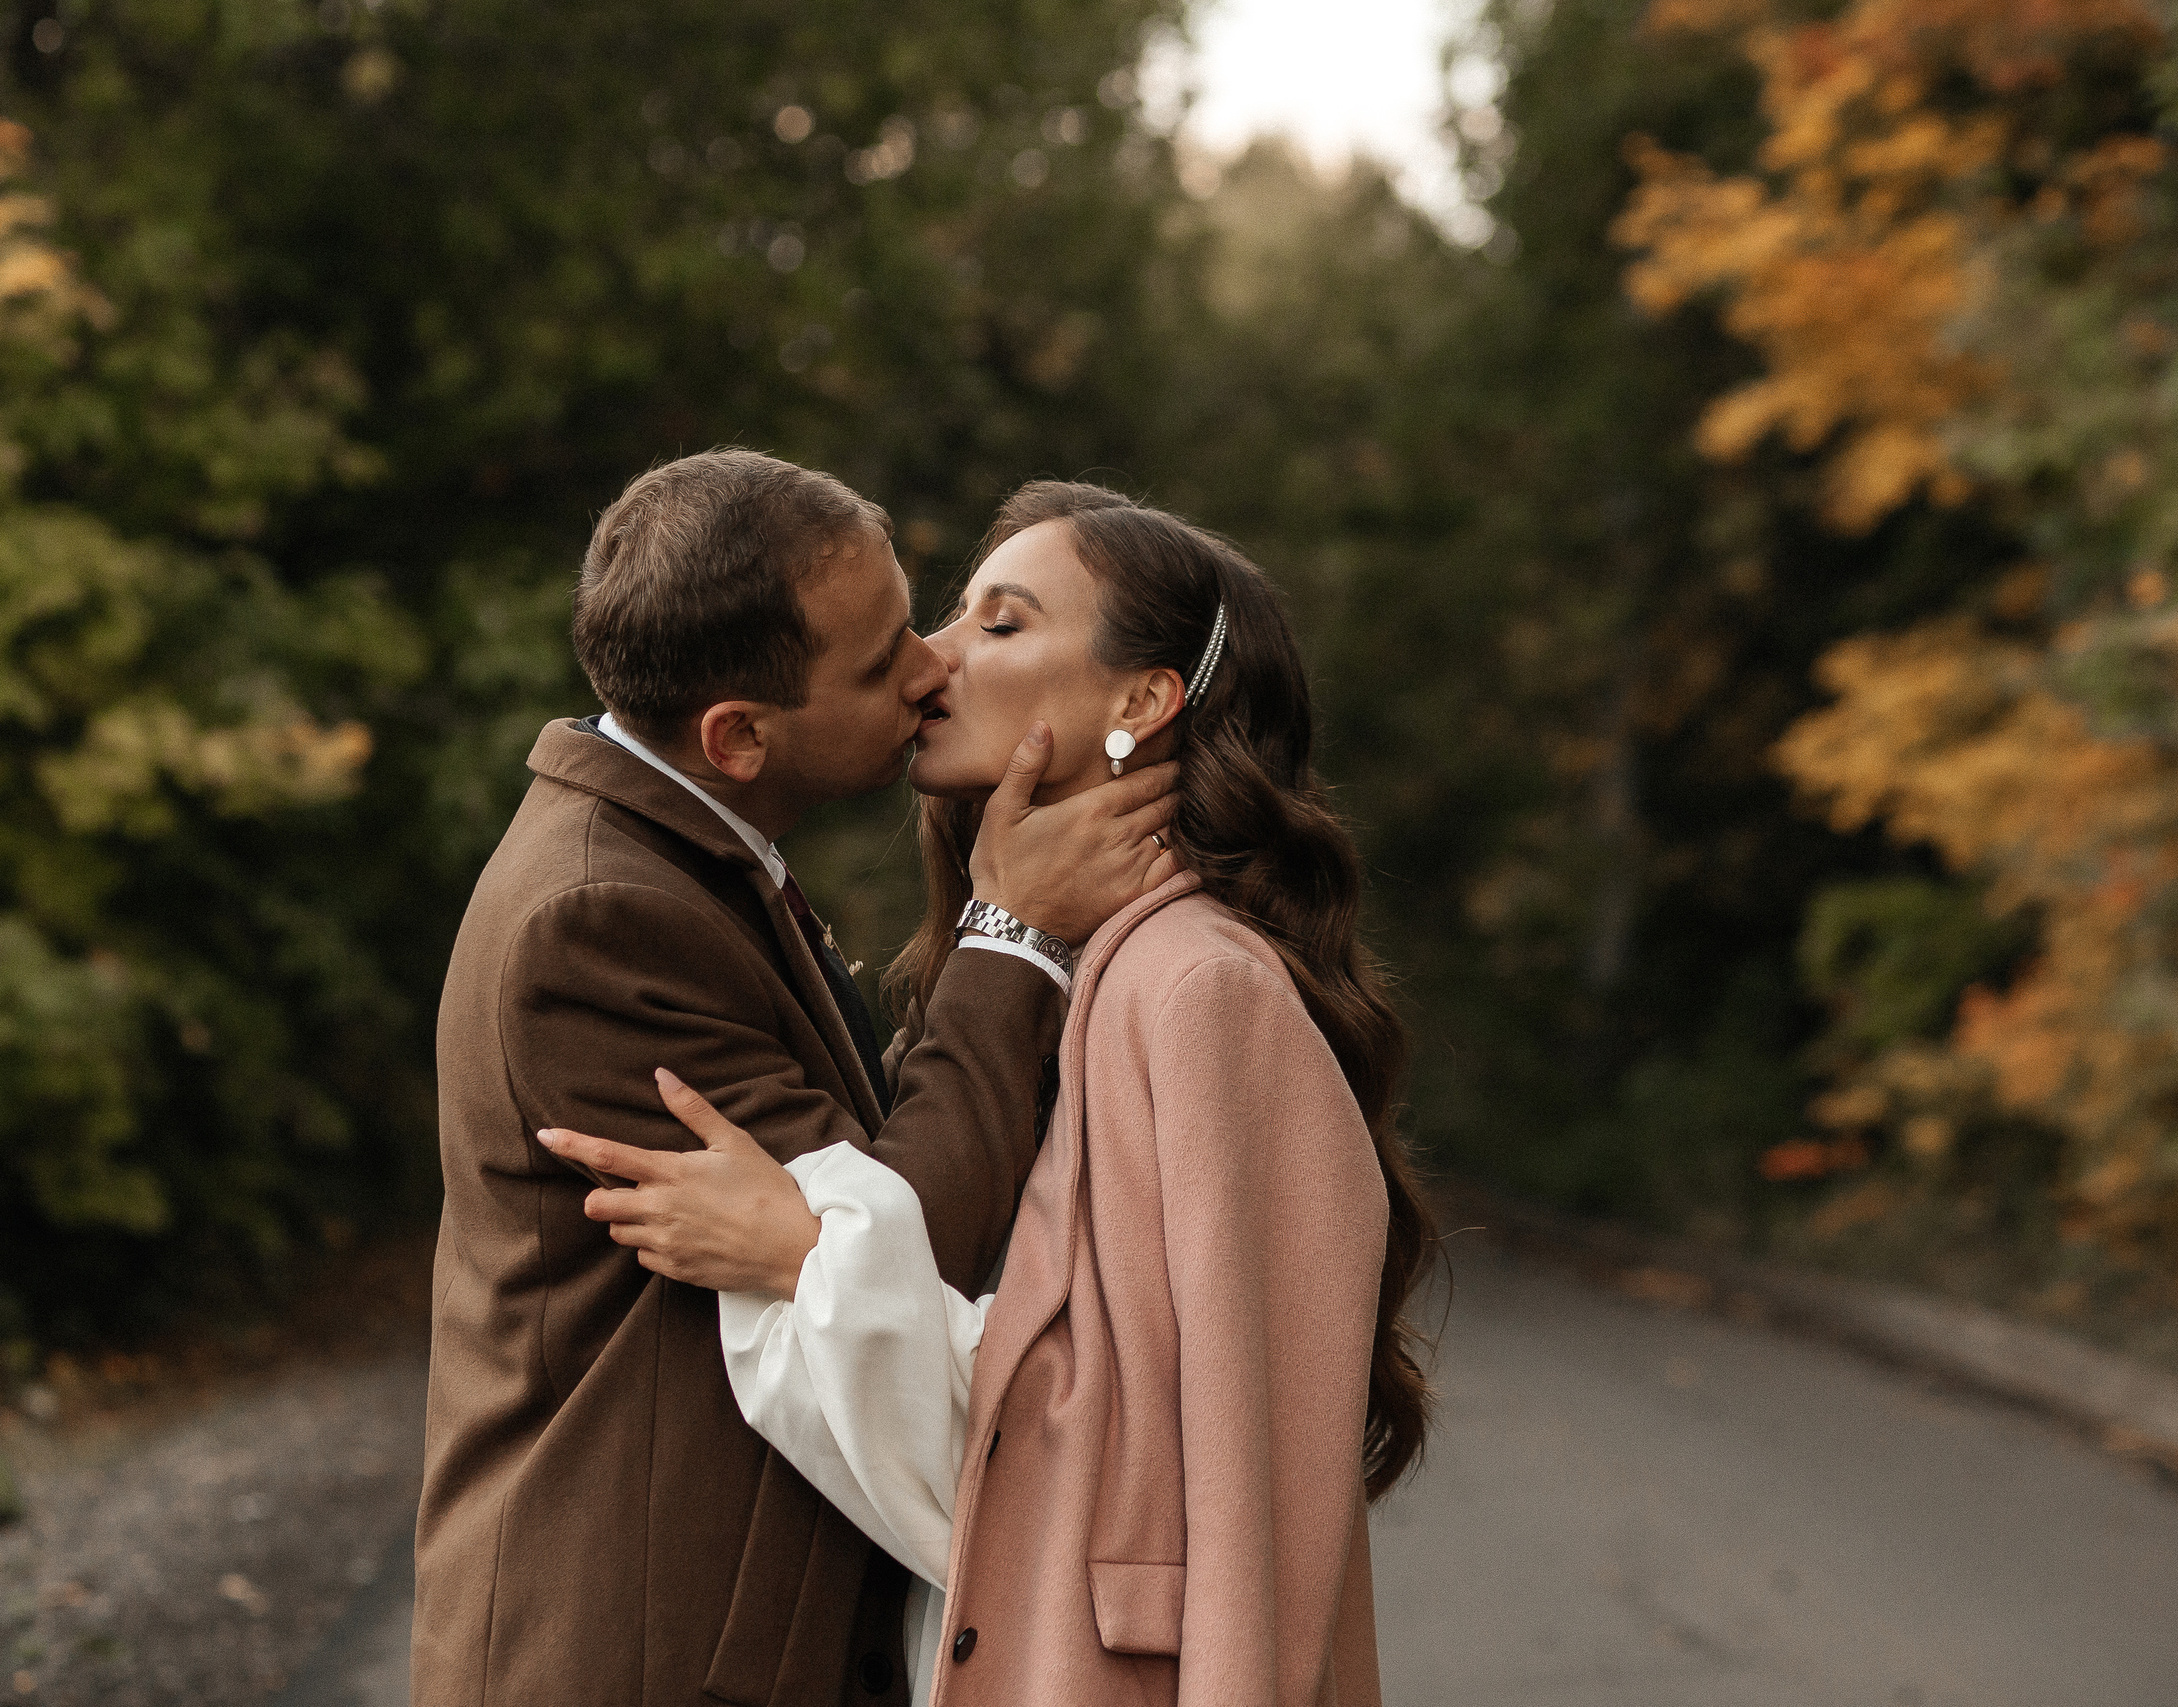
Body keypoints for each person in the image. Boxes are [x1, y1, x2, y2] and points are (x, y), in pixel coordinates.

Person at [545, 482, 1436, 1707]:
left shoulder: (1197, 991)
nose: (929, 661)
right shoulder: (1079, 970)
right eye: (954, 614)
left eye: (1000, 623)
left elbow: (1205, 1462)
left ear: (1140, 701)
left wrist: (810, 1251)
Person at [413, 452, 1181, 1707]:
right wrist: (1013, 932)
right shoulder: (598, 916)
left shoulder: (682, 851)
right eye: (883, 662)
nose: (933, 667)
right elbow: (904, 1231)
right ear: (737, 736)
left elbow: (840, 1183)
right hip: (644, 1651)